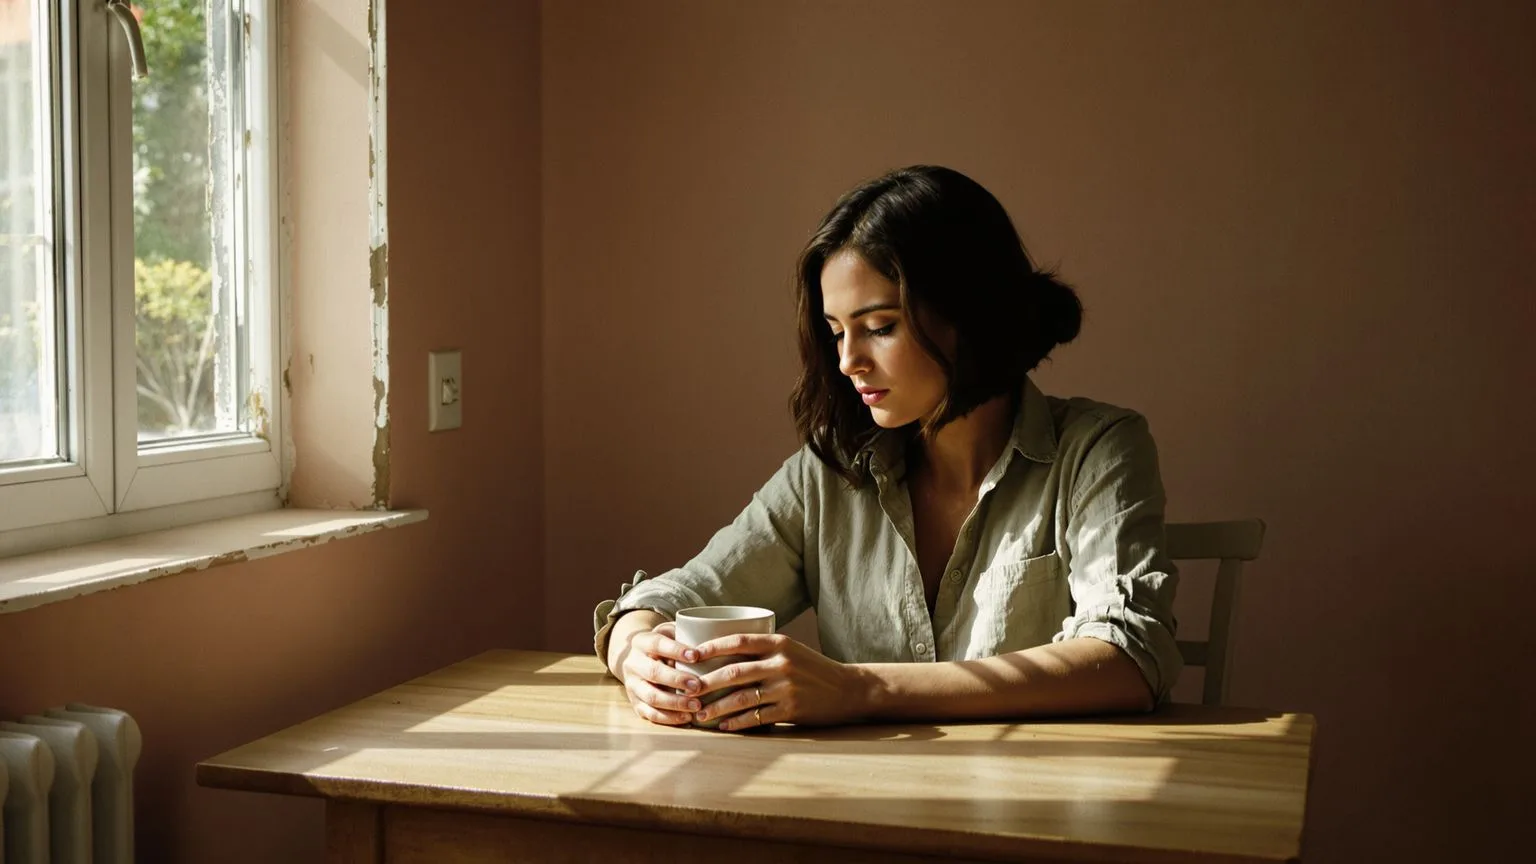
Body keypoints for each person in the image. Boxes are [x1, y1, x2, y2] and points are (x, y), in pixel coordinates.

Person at [592, 165, 1181, 732]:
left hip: (1036, 813)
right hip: (864, 810)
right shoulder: (829, 474)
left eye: (879, 326)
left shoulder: (1097, 450)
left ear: (968, 313)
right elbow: (678, 595)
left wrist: (861, 690)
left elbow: (1129, 658)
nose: (849, 362)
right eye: (837, 332)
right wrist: (636, 649)